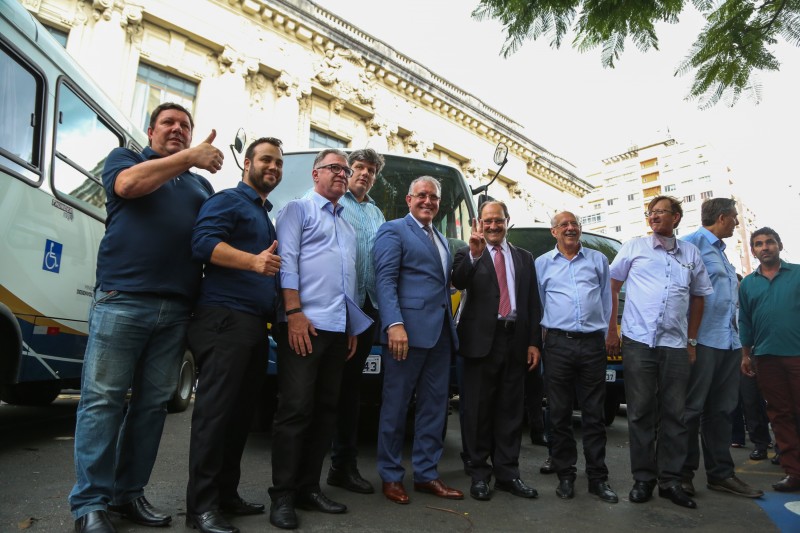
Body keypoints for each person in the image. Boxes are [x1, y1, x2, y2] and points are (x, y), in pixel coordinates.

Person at [69, 103, 220, 533]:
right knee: (103, 402)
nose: (177, 129)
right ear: (151, 131)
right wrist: (189, 158)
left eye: (185, 125)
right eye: (168, 123)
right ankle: (90, 505)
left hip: (176, 310)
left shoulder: (201, 187)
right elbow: (129, 186)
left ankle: (127, 494)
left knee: (152, 407)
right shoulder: (127, 159)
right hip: (122, 300)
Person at [185, 137, 284, 533]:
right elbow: (203, 243)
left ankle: (225, 495)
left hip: (253, 326)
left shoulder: (263, 213)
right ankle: (201, 509)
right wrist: (253, 262)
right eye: (266, 160)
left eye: (278, 163)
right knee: (215, 417)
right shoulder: (228, 200)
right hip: (224, 319)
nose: (273, 167)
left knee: (240, 417)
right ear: (247, 163)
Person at [268, 149, 369, 530]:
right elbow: (287, 263)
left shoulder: (347, 226)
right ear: (316, 174)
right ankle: (282, 495)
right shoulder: (298, 210)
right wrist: (293, 313)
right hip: (303, 325)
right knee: (295, 409)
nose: (343, 174)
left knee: (326, 410)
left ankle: (309, 488)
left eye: (346, 169)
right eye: (335, 168)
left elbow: (347, 281)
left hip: (337, 329)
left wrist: (351, 326)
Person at [607, 195, 712, 509]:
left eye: (660, 212)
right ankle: (643, 480)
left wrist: (691, 341)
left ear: (676, 217)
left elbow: (699, 297)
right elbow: (612, 285)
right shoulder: (634, 247)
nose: (653, 216)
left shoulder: (690, 253)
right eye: (650, 212)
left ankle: (670, 481)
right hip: (639, 342)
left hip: (675, 345)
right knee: (640, 413)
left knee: (675, 415)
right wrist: (612, 329)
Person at [374, 176, 462, 505]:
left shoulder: (441, 239)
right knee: (396, 407)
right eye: (422, 195)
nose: (428, 201)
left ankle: (426, 474)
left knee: (434, 408)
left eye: (434, 197)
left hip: (440, 335)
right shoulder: (393, 230)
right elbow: (385, 280)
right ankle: (390, 475)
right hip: (405, 335)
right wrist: (394, 324)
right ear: (409, 199)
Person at [451, 201, 541, 502]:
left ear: (507, 221)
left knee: (511, 411)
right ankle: (479, 473)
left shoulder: (524, 257)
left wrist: (533, 342)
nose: (493, 226)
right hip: (480, 343)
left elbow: (532, 303)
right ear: (479, 223)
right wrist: (475, 254)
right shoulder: (468, 252)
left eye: (498, 220)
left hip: (515, 341)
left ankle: (508, 474)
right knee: (478, 411)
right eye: (487, 221)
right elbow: (458, 281)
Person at [679, 198, 763, 499]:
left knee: (722, 411)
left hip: (728, 341)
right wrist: (688, 340)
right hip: (701, 341)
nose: (737, 223)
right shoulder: (690, 244)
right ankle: (682, 475)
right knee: (690, 411)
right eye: (734, 218)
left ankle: (721, 475)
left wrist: (741, 345)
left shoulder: (721, 252)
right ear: (723, 217)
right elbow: (680, 291)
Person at [535, 211, 618, 503]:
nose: (570, 228)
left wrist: (609, 333)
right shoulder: (542, 264)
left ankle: (598, 478)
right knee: (559, 414)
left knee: (594, 415)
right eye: (564, 225)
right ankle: (566, 476)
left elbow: (607, 300)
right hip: (558, 344)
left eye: (574, 224)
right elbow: (540, 304)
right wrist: (542, 341)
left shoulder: (598, 260)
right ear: (554, 232)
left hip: (592, 345)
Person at [326, 149, 386, 495]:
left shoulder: (377, 213)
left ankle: (342, 466)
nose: (364, 173)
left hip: (367, 310)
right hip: (334, 308)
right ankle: (304, 472)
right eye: (359, 167)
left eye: (371, 170)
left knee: (351, 390)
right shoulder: (333, 201)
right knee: (323, 388)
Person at [739, 227, 800, 492]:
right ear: (753, 251)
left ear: (779, 245)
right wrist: (745, 355)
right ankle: (794, 472)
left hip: (797, 354)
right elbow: (745, 321)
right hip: (765, 358)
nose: (765, 247)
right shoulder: (747, 284)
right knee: (780, 414)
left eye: (770, 242)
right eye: (759, 244)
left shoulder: (797, 274)